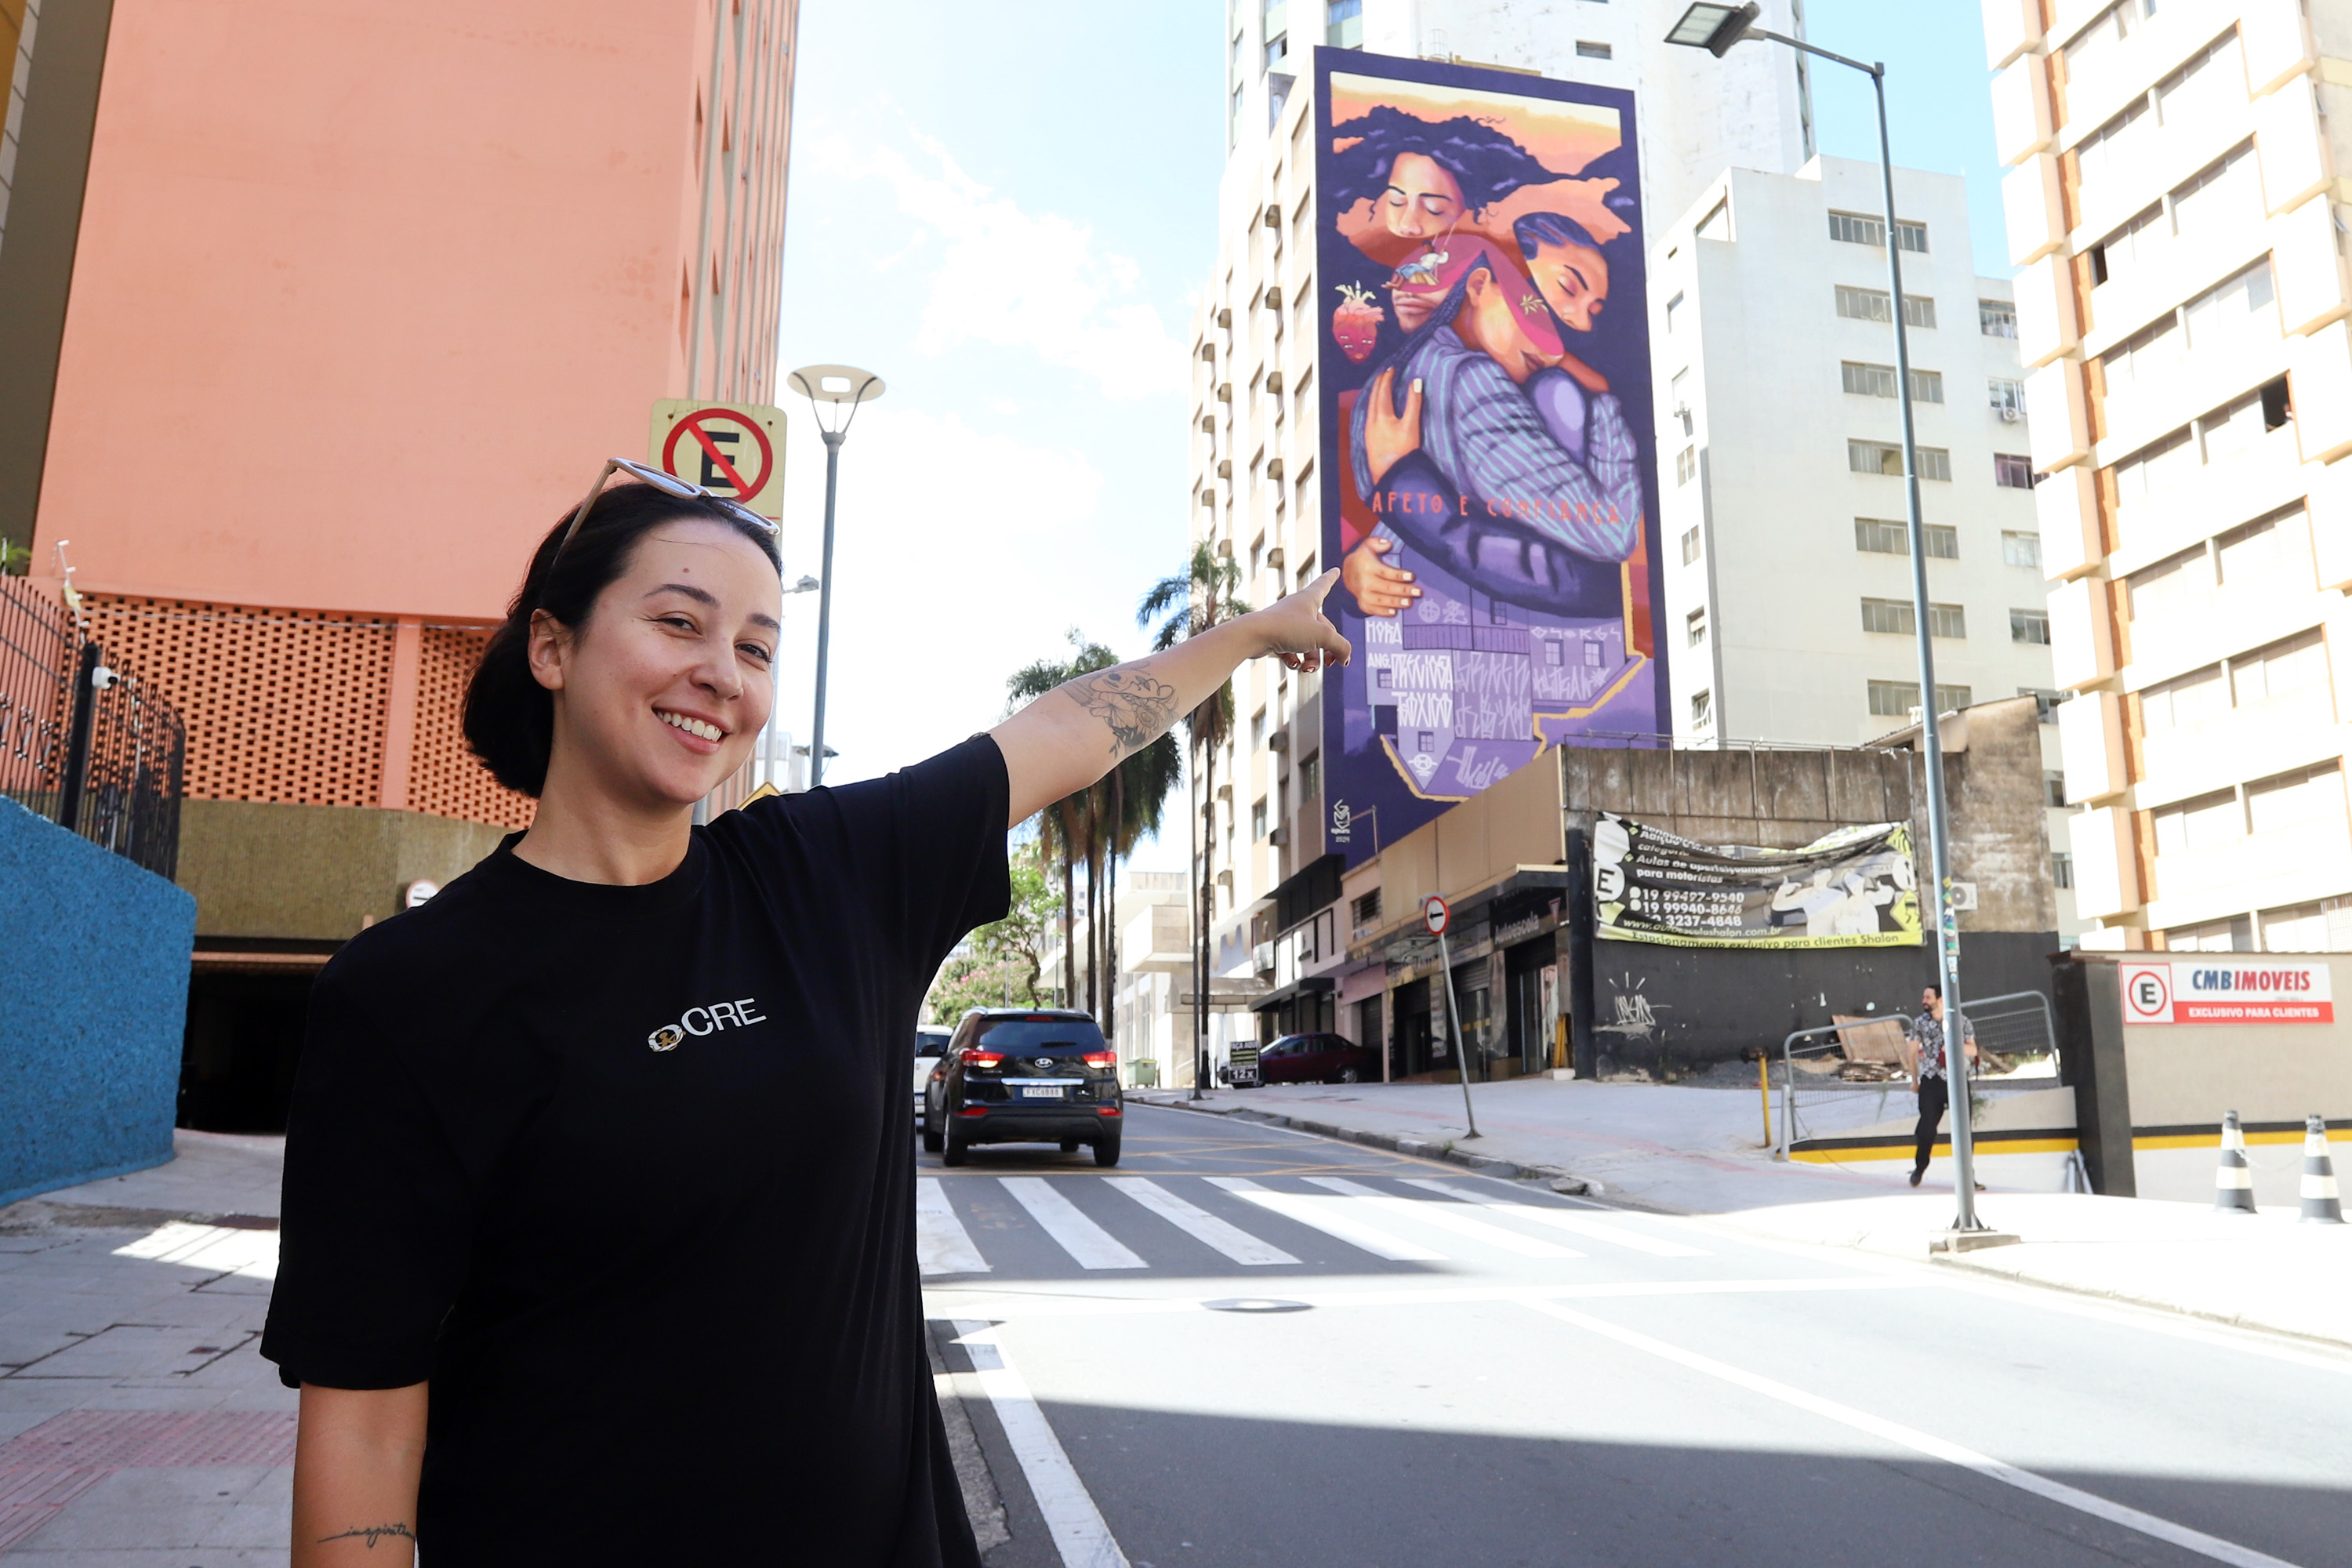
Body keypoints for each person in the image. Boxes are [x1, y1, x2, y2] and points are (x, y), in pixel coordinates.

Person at [262, 461, 1351, 1566]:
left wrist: (1251, 636)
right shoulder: (410, 990)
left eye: (755, 646)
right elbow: (362, 1419)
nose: (720, 674)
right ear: (552, 646)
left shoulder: (827, 877)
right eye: (679, 622)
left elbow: (1055, 737)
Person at [1907, 982, 1980, 1189]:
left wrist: (1957, 1046)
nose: (1924, 1001)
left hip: (1956, 1080)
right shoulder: (1920, 1023)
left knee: (1964, 1130)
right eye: (1924, 997)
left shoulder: (1960, 1021)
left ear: (1941, 1000)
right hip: (1931, 1080)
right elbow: (1911, 1052)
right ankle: (1920, 1167)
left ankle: (1967, 1176)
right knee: (1927, 1129)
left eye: (1928, 997)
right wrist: (1914, 1080)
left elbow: (1973, 1049)